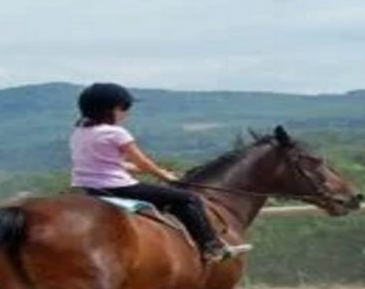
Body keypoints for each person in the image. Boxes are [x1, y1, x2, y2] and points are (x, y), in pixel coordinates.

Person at [70, 82, 250, 263]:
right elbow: (143, 161)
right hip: (118, 188)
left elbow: (112, 164)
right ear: (114, 109)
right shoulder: (116, 133)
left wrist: (158, 170)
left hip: (85, 187)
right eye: (126, 107)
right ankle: (212, 247)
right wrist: (164, 176)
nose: (127, 112)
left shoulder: (79, 132)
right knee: (188, 199)